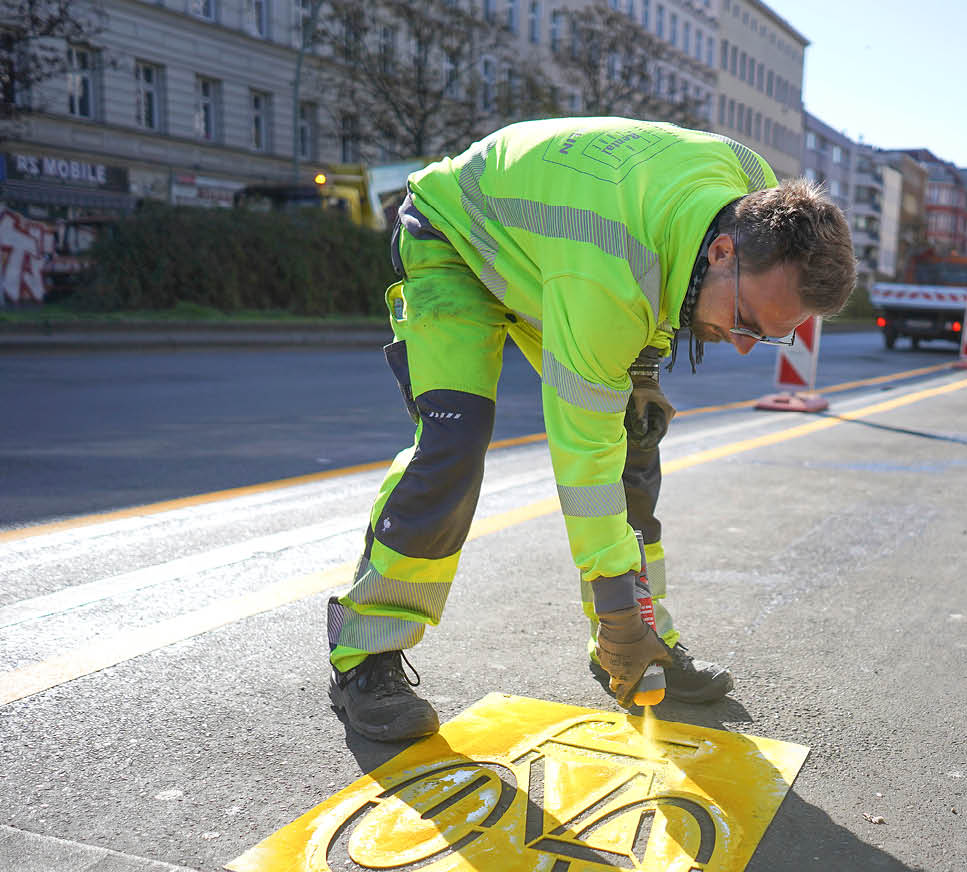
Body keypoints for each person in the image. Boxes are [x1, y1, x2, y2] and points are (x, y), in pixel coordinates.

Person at [324, 116, 857, 742]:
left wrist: (647, 365)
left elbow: (667, 264)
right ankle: (365, 654)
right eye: (744, 321)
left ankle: (641, 634)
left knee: (636, 436)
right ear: (724, 252)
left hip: (558, 250)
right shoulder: (607, 274)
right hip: (459, 239)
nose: (742, 348)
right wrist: (614, 611)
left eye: (768, 335)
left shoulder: (754, 192)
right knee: (454, 442)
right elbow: (583, 460)